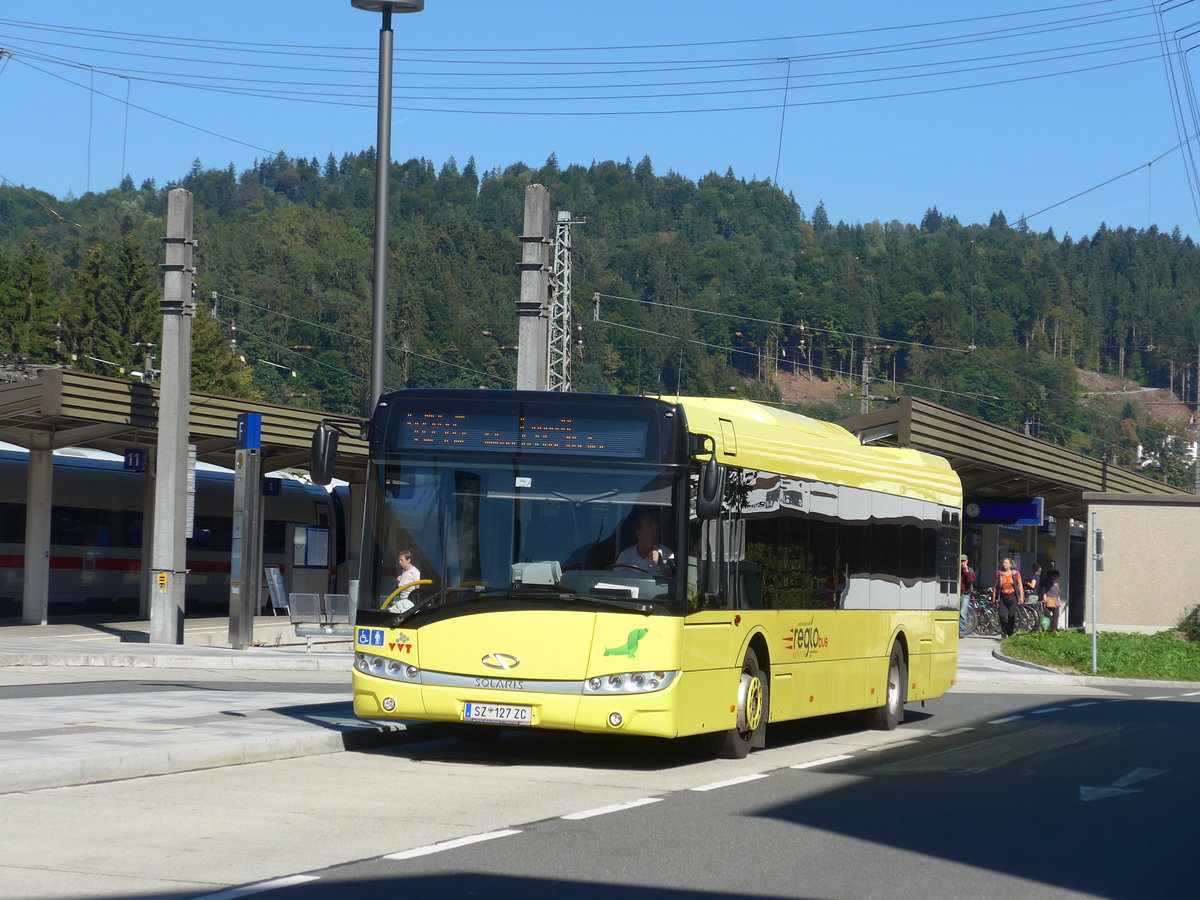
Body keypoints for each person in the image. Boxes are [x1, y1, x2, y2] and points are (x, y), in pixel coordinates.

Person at [993, 556, 1024, 637]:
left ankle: (1009, 633)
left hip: (1013, 597)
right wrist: (994, 597)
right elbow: (996, 586)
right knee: (1002, 615)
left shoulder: (1016, 573)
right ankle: (1004, 631)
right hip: (1003, 597)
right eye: (1003, 563)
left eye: (1006, 563)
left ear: (1010, 564)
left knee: (1011, 616)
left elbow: (1020, 585)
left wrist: (1021, 597)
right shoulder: (1000, 573)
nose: (1004, 564)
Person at [959, 554, 976, 635]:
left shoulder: (969, 570)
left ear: (966, 561)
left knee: (963, 612)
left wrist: (965, 570)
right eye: (961, 561)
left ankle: (961, 631)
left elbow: (971, 580)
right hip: (957, 593)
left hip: (965, 593)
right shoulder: (957, 570)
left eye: (963, 561)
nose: (962, 563)